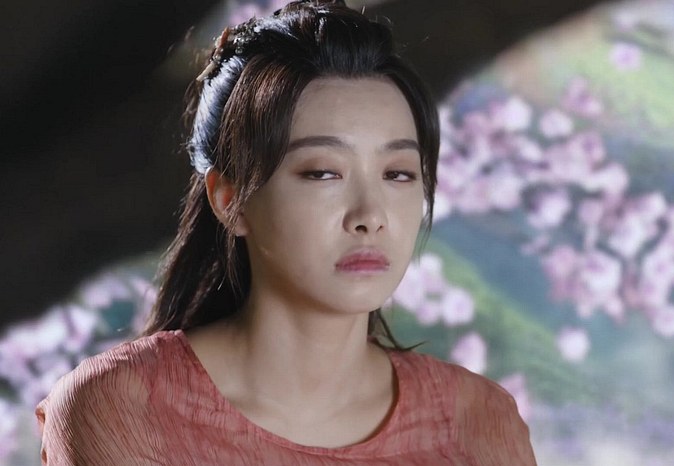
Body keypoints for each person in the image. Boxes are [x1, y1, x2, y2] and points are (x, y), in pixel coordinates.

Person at [35, 1, 537, 464]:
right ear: (229, 200)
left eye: (398, 173)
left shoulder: (476, 423)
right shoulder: (124, 408)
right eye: (323, 172)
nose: (370, 214)